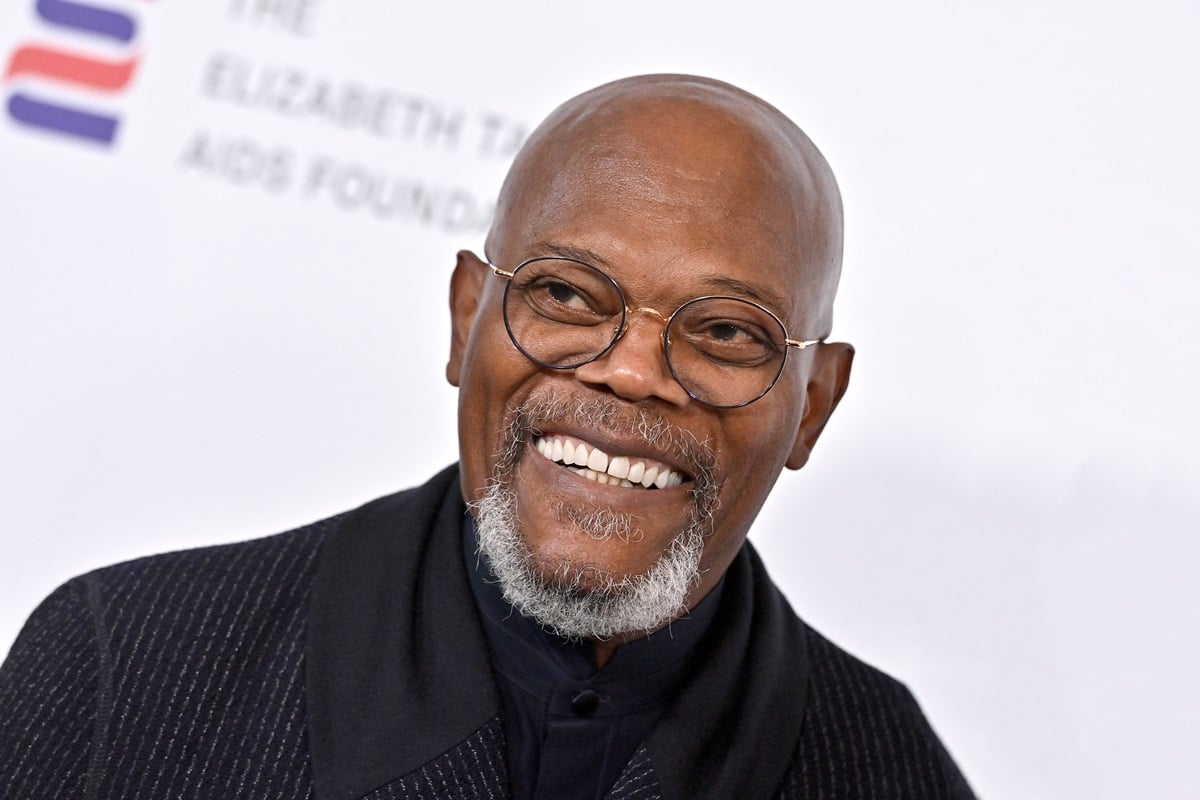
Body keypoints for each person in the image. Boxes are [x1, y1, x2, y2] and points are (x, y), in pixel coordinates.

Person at [0, 75, 975, 799]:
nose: (630, 370)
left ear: (812, 404)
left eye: (726, 332)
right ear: (467, 316)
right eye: (564, 293)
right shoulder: (131, 663)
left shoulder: (887, 767)